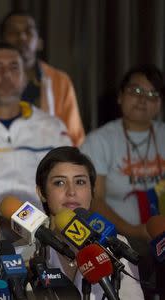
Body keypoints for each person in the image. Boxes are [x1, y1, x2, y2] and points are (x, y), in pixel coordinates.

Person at [80, 65, 165, 295]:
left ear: (159, 104)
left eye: (151, 94)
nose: (142, 99)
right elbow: (94, 199)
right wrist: (134, 232)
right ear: (120, 96)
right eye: (135, 91)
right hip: (121, 240)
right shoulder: (100, 141)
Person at [0, 42, 71, 216]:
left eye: (14, 68)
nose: (6, 75)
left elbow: (69, 187)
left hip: (45, 232)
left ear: (25, 77)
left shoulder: (53, 128)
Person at [35, 146, 144, 299]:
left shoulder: (115, 245)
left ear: (92, 191)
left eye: (80, 182)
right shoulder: (31, 249)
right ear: (42, 193)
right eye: (59, 183)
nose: (71, 192)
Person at [0, 11, 85, 146]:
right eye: (13, 32)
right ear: (2, 41)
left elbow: (74, 137)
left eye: (28, 32)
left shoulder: (60, 81)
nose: (22, 37)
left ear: (39, 42)